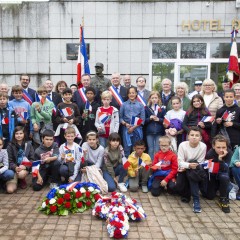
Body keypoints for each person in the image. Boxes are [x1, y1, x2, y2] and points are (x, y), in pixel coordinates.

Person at [175, 127, 207, 213]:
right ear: (188, 136)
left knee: (193, 176)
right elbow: (180, 161)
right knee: (179, 186)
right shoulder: (182, 145)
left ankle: (196, 200)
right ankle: (187, 193)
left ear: (200, 138)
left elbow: (200, 162)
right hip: (184, 167)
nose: (194, 137)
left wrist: (192, 166)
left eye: (197, 135)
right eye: (192, 135)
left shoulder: (203, 146)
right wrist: (188, 166)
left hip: (196, 169)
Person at [205, 135, 232, 213]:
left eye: (224, 147)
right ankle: (218, 189)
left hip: (223, 175)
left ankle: (223, 198)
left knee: (224, 177)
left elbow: (226, 169)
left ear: (227, 146)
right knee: (210, 197)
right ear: (213, 146)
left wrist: (220, 159)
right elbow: (208, 171)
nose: (221, 150)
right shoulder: (210, 153)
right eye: (218, 147)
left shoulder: (229, 153)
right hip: (213, 176)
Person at [7, 126, 34, 192]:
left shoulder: (28, 144)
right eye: (16, 133)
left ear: (24, 134)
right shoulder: (10, 145)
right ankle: (14, 180)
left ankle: (21, 179)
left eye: (21, 133)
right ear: (14, 135)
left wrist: (25, 166)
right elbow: (9, 160)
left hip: (23, 169)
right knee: (10, 190)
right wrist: (15, 167)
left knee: (21, 174)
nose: (19, 135)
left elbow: (32, 159)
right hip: (13, 169)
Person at [120, 87, 145, 157]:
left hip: (137, 129)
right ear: (127, 94)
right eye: (130, 93)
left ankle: (137, 166)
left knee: (137, 148)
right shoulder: (123, 105)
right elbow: (120, 118)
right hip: (126, 129)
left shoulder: (140, 105)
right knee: (127, 148)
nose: (131, 94)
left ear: (136, 93)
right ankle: (127, 167)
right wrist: (125, 123)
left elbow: (142, 119)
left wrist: (133, 127)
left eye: (133, 93)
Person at [145, 91, 166, 160]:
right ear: (150, 99)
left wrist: (159, 119)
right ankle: (150, 163)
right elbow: (144, 121)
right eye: (152, 98)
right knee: (150, 149)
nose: (154, 99)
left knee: (157, 149)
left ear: (159, 99)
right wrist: (149, 118)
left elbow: (165, 120)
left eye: (156, 98)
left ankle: (157, 163)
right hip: (149, 132)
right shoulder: (147, 108)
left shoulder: (162, 108)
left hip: (159, 131)